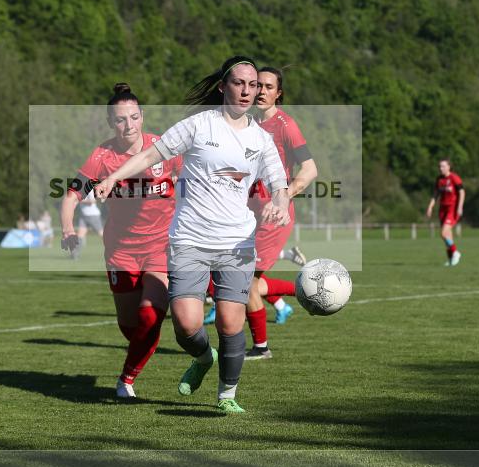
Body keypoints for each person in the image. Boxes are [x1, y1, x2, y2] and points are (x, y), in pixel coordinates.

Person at [95, 56, 290, 414]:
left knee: (232, 321)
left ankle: (226, 396)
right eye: (238, 83)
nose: (247, 91)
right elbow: (151, 154)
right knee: (186, 324)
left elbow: (279, 183)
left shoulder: (261, 140)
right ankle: (203, 357)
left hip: (237, 244)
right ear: (223, 87)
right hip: (189, 240)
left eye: (252, 85)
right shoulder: (199, 125)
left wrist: (280, 203)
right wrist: (111, 177)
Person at [60, 83, 181, 398]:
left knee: (149, 315)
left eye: (134, 117)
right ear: (110, 123)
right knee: (131, 328)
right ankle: (140, 349)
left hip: (160, 248)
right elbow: (72, 195)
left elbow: (197, 174)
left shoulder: (164, 148)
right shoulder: (102, 156)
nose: (129, 125)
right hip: (121, 252)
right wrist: (67, 230)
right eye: (120, 120)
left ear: (142, 116)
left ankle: (126, 380)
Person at [205, 66, 318, 360]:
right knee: (238, 276)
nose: (262, 91)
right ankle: (304, 287)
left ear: (278, 93)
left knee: (247, 281)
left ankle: (260, 347)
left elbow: (310, 170)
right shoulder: (250, 124)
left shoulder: (285, 125)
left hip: (273, 218)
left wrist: (283, 197)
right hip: (248, 216)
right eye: (258, 86)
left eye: (269, 86)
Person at [426, 159, 465, 266]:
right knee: (448, 235)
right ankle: (451, 259)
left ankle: (456, 252)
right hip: (442, 209)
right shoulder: (439, 179)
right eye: (439, 166)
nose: (440, 168)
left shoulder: (454, 177)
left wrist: (460, 206)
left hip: (452, 208)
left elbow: (462, 191)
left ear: (449, 167)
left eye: (443, 166)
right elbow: (436, 194)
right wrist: (430, 207)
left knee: (443, 233)